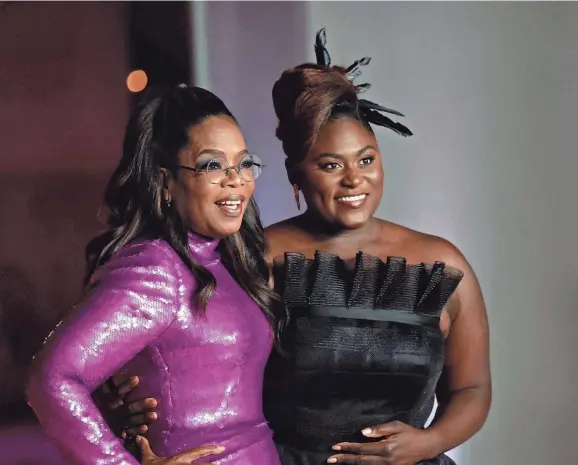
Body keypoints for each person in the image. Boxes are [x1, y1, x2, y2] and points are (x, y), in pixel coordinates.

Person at [97, 30, 491, 465]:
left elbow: (472, 389)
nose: (354, 179)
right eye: (329, 165)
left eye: (366, 160)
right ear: (295, 173)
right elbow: (180, 364)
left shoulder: (441, 264)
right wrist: (118, 412)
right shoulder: (249, 256)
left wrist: (428, 443)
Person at [25, 84, 286, 465]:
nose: (236, 179)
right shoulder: (155, 268)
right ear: (165, 182)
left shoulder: (228, 260)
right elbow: (51, 379)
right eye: (212, 165)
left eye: (244, 162)